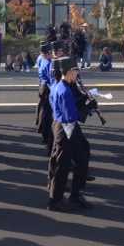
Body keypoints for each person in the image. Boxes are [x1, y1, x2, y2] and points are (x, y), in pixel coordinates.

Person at [47, 56, 91, 212]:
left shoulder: (62, 85)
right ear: (68, 72)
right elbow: (71, 116)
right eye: (75, 70)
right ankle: (55, 200)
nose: (77, 73)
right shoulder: (64, 90)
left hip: (66, 126)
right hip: (66, 128)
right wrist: (87, 107)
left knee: (83, 156)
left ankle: (75, 194)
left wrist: (84, 101)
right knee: (62, 165)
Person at [36, 42, 54, 151]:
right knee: (47, 114)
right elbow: (51, 79)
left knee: (42, 109)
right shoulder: (49, 63)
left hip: (42, 85)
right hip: (48, 88)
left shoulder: (40, 58)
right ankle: (46, 135)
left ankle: (42, 130)